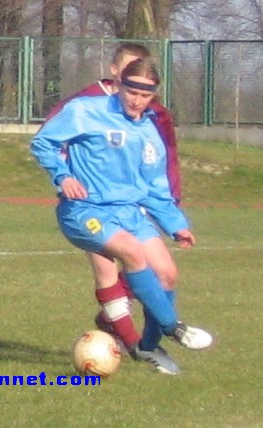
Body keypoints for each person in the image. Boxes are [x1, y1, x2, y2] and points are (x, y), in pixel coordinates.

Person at [30, 57, 213, 375]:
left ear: (153, 95)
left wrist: (176, 225)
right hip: (85, 210)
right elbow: (43, 142)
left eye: (145, 95)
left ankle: (147, 346)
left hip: (129, 212)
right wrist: (63, 175)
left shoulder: (149, 134)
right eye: (132, 92)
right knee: (131, 252)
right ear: (119, 86)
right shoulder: (86, 110)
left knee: (167, 273)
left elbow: (155, 189)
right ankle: (174, 328)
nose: (137, 101)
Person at [44, 43, 181, 359]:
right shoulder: (85, 104)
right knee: (110, 266)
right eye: (130, 70)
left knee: (154, 269)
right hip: (91, 204)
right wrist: (65, 176)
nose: (137, 90)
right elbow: (51, 139)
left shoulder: (152, 112)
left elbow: (164, 158)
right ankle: (136, 341)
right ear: (115, 70)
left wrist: (173, 210)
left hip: (136, 204)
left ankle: (123, 326)